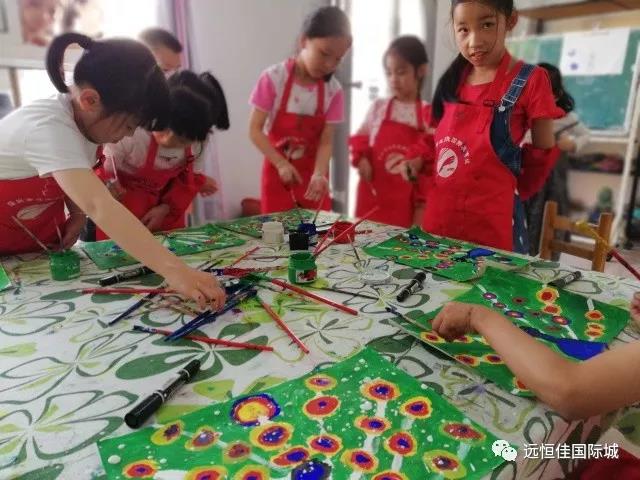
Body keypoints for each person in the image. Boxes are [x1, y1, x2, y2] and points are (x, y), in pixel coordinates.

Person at [0, 33, 225, 310]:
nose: (128, 135)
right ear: (90, 100)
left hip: (31, 233)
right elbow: (99, 204)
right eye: (129, 125)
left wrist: (76, 214)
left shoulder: (83, 121)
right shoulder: (48, 129)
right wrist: (176, 271)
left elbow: (72, 172)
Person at [423, 0, 564, 253]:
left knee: (487, 279)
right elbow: (433, 146)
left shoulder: (531, 80)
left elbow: (542, 156)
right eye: (463, 29)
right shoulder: (452, 80)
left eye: (487, 24)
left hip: (489, 225)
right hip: (439, 220)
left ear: (511, 20)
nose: (474, 41)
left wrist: (506, 189)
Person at [96, 70, 229, 239]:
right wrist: (108, 185)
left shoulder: (197, 141)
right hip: (121, 207)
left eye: (182, 139)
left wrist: (166, 208)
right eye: (164, 127)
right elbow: (103, 169)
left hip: (167, 211)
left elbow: (187, 182)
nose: (167, 139)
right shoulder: (134, 134)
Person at [249, 6, 351, 214]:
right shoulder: (273, 79)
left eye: (337, 59)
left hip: (313, 181)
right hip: (278, 176)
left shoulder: (334, 91)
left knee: (316, 231)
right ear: (304, 40)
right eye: (324, 53)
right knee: (278, 232)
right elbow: (254, 130)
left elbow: (326, 141)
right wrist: (281, 164)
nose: (329, 65)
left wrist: (319, 174)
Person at [350, 35, 433, 227]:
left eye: (401, 72)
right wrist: (361, 158)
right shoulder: (378, 108)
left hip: (404, 206)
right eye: (389, 73)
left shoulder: (427, 114)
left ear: (421, 70)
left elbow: (429, 161)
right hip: (372, 198)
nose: (393, 79)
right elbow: (361, 137)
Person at [524, 62, 591, 255]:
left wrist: (573, 144)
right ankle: (524, 254)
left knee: (552, 219)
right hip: (528, 176)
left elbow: (586, 135)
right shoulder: (522, 113)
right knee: (528, 218)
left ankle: (549, 257)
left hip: (554, 179)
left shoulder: (566, 118)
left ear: (556, 95)